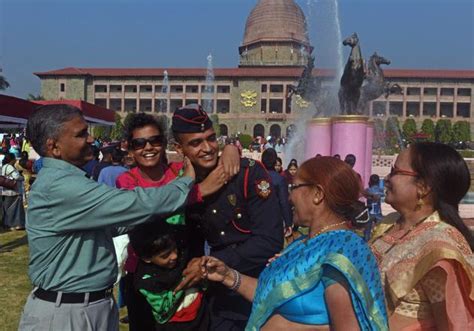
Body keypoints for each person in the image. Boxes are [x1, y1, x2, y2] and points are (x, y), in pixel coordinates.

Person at [18, 104, 196, 331]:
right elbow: (136, 205)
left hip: (86, 306)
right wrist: (185, 182)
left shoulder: (70, 181)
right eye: (81, 134)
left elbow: (117, 223)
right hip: (66, 314)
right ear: (54, 147)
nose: (91, 138)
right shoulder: (61, 186)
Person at [203, 156, 389, 330]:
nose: (289, 197)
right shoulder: (303, 243)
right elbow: (271, 295)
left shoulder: (342, 250)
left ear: (317, 194)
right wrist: (227, 276)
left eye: (294, 187)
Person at [116, 112, 239, 331]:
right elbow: (146, 214)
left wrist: (231, 149)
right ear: (131, 148)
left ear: (165, 144)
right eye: (139, 143)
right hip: (145, 276)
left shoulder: (179, 171)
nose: (148, 148)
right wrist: (198, 192)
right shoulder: (126, 180)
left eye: (155, 140)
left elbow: (211, 158)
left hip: (184, 267)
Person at [172, 104, 284, 330]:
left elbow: (270, 240)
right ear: (179, 148)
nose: (207, 148)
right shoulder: (179, 185)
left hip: (253, 291)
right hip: (211, 299)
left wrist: (213, 265)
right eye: (195, 143)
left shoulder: (246, 172)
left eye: (211, 138)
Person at [370, 142, 474, 330]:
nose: (386, 179)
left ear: (423, 187)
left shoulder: (439, 248)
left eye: (395, 171)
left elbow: (452, 324)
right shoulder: (387, 224)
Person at [130, 221, 209, 331]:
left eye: (174, 249)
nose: (174, 256)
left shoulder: (184, 255)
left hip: (201, 318)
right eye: (165, 255)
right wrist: (185, 283)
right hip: (176, 325)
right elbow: (163, 307)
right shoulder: (147, 282)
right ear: (147, 258)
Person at [261, 148, 293, 233]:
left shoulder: (255, 177)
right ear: (275, 162)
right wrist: (288, 222)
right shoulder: (280, 179)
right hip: (274, 220)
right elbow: (284, 202)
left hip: (256, 218)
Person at [1, 152, 25, 230]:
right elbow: (16, 177)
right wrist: (22, 177)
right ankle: (16, 225)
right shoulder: (10, 167)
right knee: (15, 209)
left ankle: (7, 224)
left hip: (5, 190)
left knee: (7, 209)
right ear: (11, 159)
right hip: (13, 191)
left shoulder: (3, 167)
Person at [363, 174, 384, 241]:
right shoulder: (381, 190)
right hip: (378, 213)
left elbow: (364, 193)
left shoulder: (368, 190)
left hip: (369, 213)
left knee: (367, 231)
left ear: (370, 182)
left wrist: (371, 195)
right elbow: (381, 195)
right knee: (380, 230)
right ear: (378, 182)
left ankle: (366, 242)